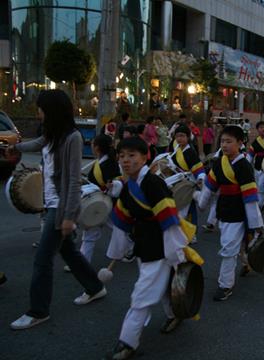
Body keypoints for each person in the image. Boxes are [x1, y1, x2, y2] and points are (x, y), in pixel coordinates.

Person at [9, 89, 106, 330]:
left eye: (41, 108)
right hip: (50, 202)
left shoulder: (71, 137)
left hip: (58, 206)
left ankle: (38, 311)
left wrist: (68, 216)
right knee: (69, 252)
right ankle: (95, 287)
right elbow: (37, 143)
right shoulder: (52, 134)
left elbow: (73, 180)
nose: (38, 113)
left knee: (42, 261)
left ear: (51, 111)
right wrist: (16, 148)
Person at [105, 137, 191, 359]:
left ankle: (127, 342)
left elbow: (169, 221)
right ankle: (174, 313)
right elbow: (121, 222)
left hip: (160, 246)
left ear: (145, 158)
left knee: (142, 294)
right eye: (122, 156)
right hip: (144, 244)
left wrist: (176, 253)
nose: (125, 161)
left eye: (132, 155)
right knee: (160, 285)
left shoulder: (154, 184)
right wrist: (119, 250)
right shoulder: (128, 187)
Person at [195, 125, 263, 300]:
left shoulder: (244, 166)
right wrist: (201, 203)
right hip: (223, 209)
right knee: (238, 244)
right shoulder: (219, 163)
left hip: (238, 212)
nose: (224, 145)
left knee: (228, 247)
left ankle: (225, 285)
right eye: (222, 141)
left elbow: (250, 198)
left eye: (229, 141)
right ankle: (247, 263)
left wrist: (255, 224)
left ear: (240, 143)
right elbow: (210, 186)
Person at [80, 134, 121, 263]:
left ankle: (132, 248)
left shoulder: (110, 163)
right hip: (99, 202)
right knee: (93, 234)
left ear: (97, 147)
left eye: (92, 143)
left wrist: (111, 185)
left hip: (104, 203)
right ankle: (82, 262)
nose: (91, 146)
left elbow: (116, 184)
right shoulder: (102, 161)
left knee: (118, 229)